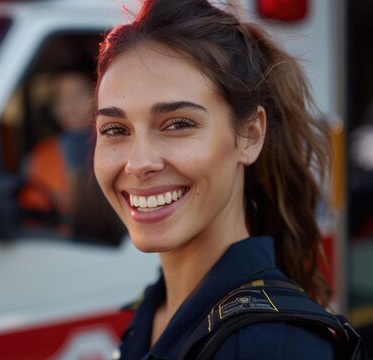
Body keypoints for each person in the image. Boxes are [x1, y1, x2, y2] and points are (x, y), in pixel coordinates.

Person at [93, 0, 362, 358]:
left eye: (178, 124)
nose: (138, 163)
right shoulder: (156, 310)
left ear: (250, 135)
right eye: (115, 129)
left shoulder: (268, 346)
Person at [18, 70, 93, 220]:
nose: (69, 106)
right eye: (60, 98)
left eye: (78, 95)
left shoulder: (119, 150)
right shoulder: (38, 158)